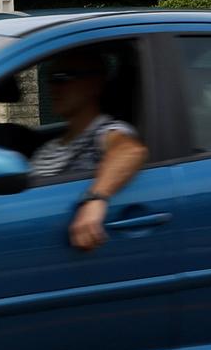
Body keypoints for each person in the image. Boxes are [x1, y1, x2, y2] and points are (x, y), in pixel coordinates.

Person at [27, 48, 148, 252]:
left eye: (64, 77)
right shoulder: (50, 145)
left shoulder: (103, 132)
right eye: (50, 78)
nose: (53, 87)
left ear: (94, 84)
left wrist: (95, 199)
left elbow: (130, 151)